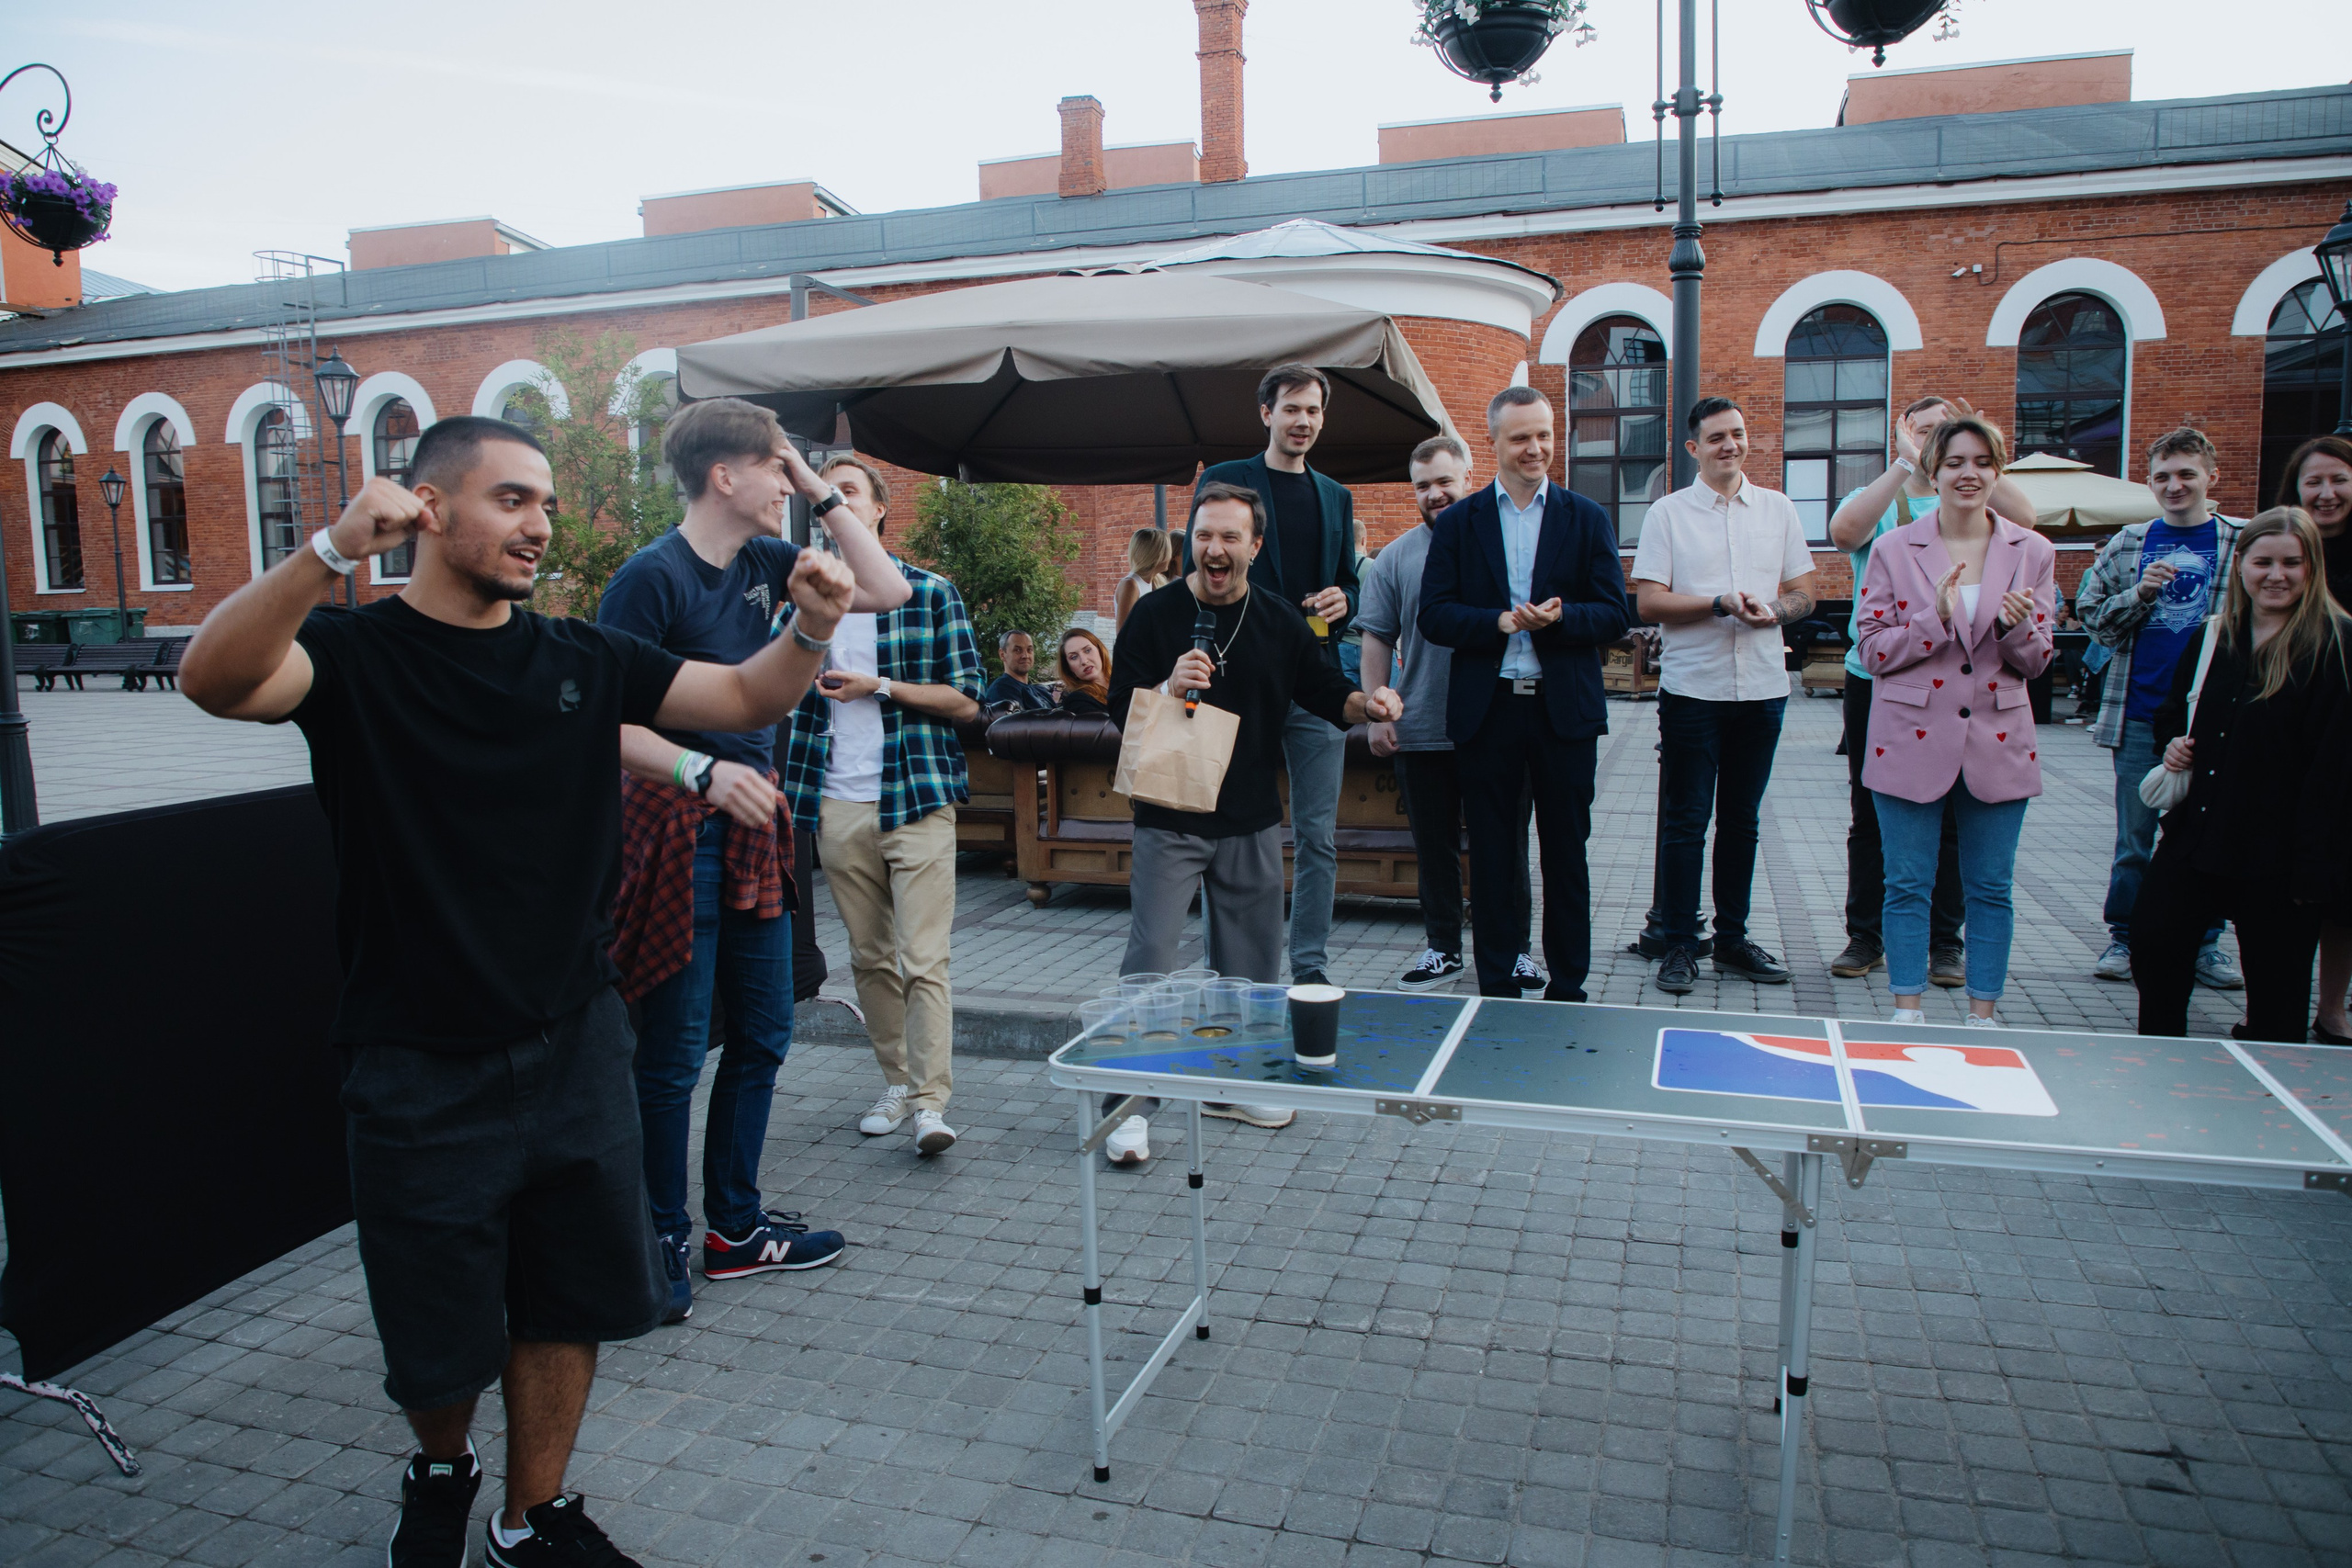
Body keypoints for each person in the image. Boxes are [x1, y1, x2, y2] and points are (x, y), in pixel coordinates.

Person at [175, 416, 858, 1568]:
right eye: (511, 501)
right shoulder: (353, 657)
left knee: (568, 1299)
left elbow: (744, 699)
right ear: (429, 508)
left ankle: (532, 1514)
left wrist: (809, 626)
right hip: (415, 1055)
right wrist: (325, 551)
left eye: (545, 504)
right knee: (435, 1335)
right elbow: (213, 679)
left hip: (576, 1039)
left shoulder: (581, 659)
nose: (540, 525)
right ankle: (443, 1469)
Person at [600, 399, 909, 1327]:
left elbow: (885, 590)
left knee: (767, 1033)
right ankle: (657, 1237)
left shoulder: (766, 560)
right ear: (723, 476)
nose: (787, 481)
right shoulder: (649, 579)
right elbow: (604, 721)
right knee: (675, 1051)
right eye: (775, 466)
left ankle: (733, 1229)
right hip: (674, 829)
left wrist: (821, 489)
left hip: (757, 827)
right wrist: (699, 773)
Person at [1104, 481, 1403, 1161]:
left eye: (1230, 537)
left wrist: (1372, 705)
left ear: (1254, 547)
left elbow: (1326, 691)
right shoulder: (1154, 617)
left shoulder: (1278, 620)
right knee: (1150, 956)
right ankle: (1129, 1101)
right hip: (1169, 812)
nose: (1215, 548)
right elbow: (1119, 707)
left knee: (1251, 970)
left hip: (1249, 818)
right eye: (1205, 535)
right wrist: (1166, 688)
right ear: (1192, 542)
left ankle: (1231, 1082)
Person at [778, 456, 984, 1156]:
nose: (833, 506)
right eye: (825, 496)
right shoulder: (800, 603)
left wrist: (882, 686)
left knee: (923, 958)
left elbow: (966, 701)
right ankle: (898, 1082)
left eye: (848, 492)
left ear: (875, 511)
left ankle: (932, 1102)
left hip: (916, 796)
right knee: (869, 958)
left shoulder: (927, 594)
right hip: (834, 802)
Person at [1419, 389, 1630, 999]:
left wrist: (1560, 619)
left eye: (1544, 435)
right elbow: (1434, 615)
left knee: (1566, 853)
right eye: (1520, 437)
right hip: (1489, 712)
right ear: (1493, 443)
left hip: (1564, 712)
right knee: (1491, 856)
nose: (1535, 448)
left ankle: (1568, 987)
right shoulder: (1461, 521)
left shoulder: (1586, 516)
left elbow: (1616, 611)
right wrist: (1497, 623)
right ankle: (1498, 987)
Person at [1826, 395, 2039, 984]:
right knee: (1873, 814)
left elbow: (2029, 519)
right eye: (1923, 430)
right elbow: (1844, 532)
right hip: (1885, 681)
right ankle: (1866, 936)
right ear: (1903, 434)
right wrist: (1904, 461)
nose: (1934, 440)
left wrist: (1978, 461)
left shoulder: (1978, 495)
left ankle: (1946, 942)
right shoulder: (1888, 497)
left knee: (1953, 815)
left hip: (1968, 683)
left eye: (1944, 431)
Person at [2132, 507, 2350, 1041]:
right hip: (2199, 833)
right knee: (2155, 948)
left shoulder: (2335, 644)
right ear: (2242, 567)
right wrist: (2175, 746)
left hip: (2282, 854)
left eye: (2291, 563)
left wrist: (2315, 866)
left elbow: (2336, 768)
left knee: (2277, 1004)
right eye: (2263, 562)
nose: (2276, 575)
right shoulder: (2214, 636)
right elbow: (2168, 713)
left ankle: (2267, 1102)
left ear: (2311, 568)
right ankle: (2159, 1070)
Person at [1627, 397, 1818, 994]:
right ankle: (1681, 943)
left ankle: (1733, 939)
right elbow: (1649, 601)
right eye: (1716, 438)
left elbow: (1804, 592)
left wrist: (1776, 610)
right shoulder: (1668, 513)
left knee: (1743, 820)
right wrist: (1717, 603)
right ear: (1694, 448)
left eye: (1737, 433)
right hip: (1694, 689)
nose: (1729, 445)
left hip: (1763, 687)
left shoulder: (1778, 509)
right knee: (1687, 822)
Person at [1192, 364, 1361, 988]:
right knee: (1228, 829)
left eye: (1314, 410)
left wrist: (1346, 597)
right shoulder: (1226, 480)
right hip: (1241, 683)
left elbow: (1349, 578)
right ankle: (1225, 968)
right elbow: (1200, 569)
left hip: (1315, 681)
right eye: (1292, 408)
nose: (1304, 421)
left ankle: (1310, 964)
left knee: (1318, 836)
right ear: (1267, 413)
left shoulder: (1337, 496)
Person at [1356, 433, 1540, 993]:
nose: (1434, 494)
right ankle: (1443, 947)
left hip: (1499, 721)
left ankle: (1515, 952)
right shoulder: (1395, 557)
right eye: (1422, 486)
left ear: (1468, 476)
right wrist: (1377, 711)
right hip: (1422, 722)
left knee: (1506, 843)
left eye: (1443, 482)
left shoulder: (1505, 539)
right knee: (1433, 848)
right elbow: (1376, 638)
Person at [2075, 428, 2246, 989]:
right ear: (2150, 482)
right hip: (2141, 713)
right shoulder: (2128, 543)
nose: (2174, 486)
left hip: (2218, 723)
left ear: (2210, 478)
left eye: (2186, 475)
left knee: (2211, 836)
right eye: (2163, 477)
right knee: (2134, 839)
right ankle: (2125, 937)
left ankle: (2205, 944)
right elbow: (2093, 620)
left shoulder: (2239, 543)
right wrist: (2141, 593)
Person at [2278, 435, 2352, 1043]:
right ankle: (2278, 1001)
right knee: (2286, 879)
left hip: (2344, 739)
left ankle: (2331, 1008)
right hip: (2288, 733)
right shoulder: (2281, 555)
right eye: (2314, 482)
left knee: (2340, 883)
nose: (2326, 493)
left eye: (2339, 479)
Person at [1113, 526, 1172, 632]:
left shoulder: (1154, 581)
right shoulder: (1131, 584)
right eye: (1168, 551)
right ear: (1157, 554)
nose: (1170, 557)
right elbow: (1124, 634)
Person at [982, 629, 1055, 711]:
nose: (1025, 655)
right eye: (1017, 650)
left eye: (1029, 650)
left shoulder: (1040, 691)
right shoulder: (1001, 690)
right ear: (1002, 654)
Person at [1054, 626, 1113, 716]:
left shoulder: (1124, 680)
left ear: (1100, 650)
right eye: (1074, 657)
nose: (1084, 661)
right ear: (1068, 667)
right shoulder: (1077, 700)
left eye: (1087, 650)